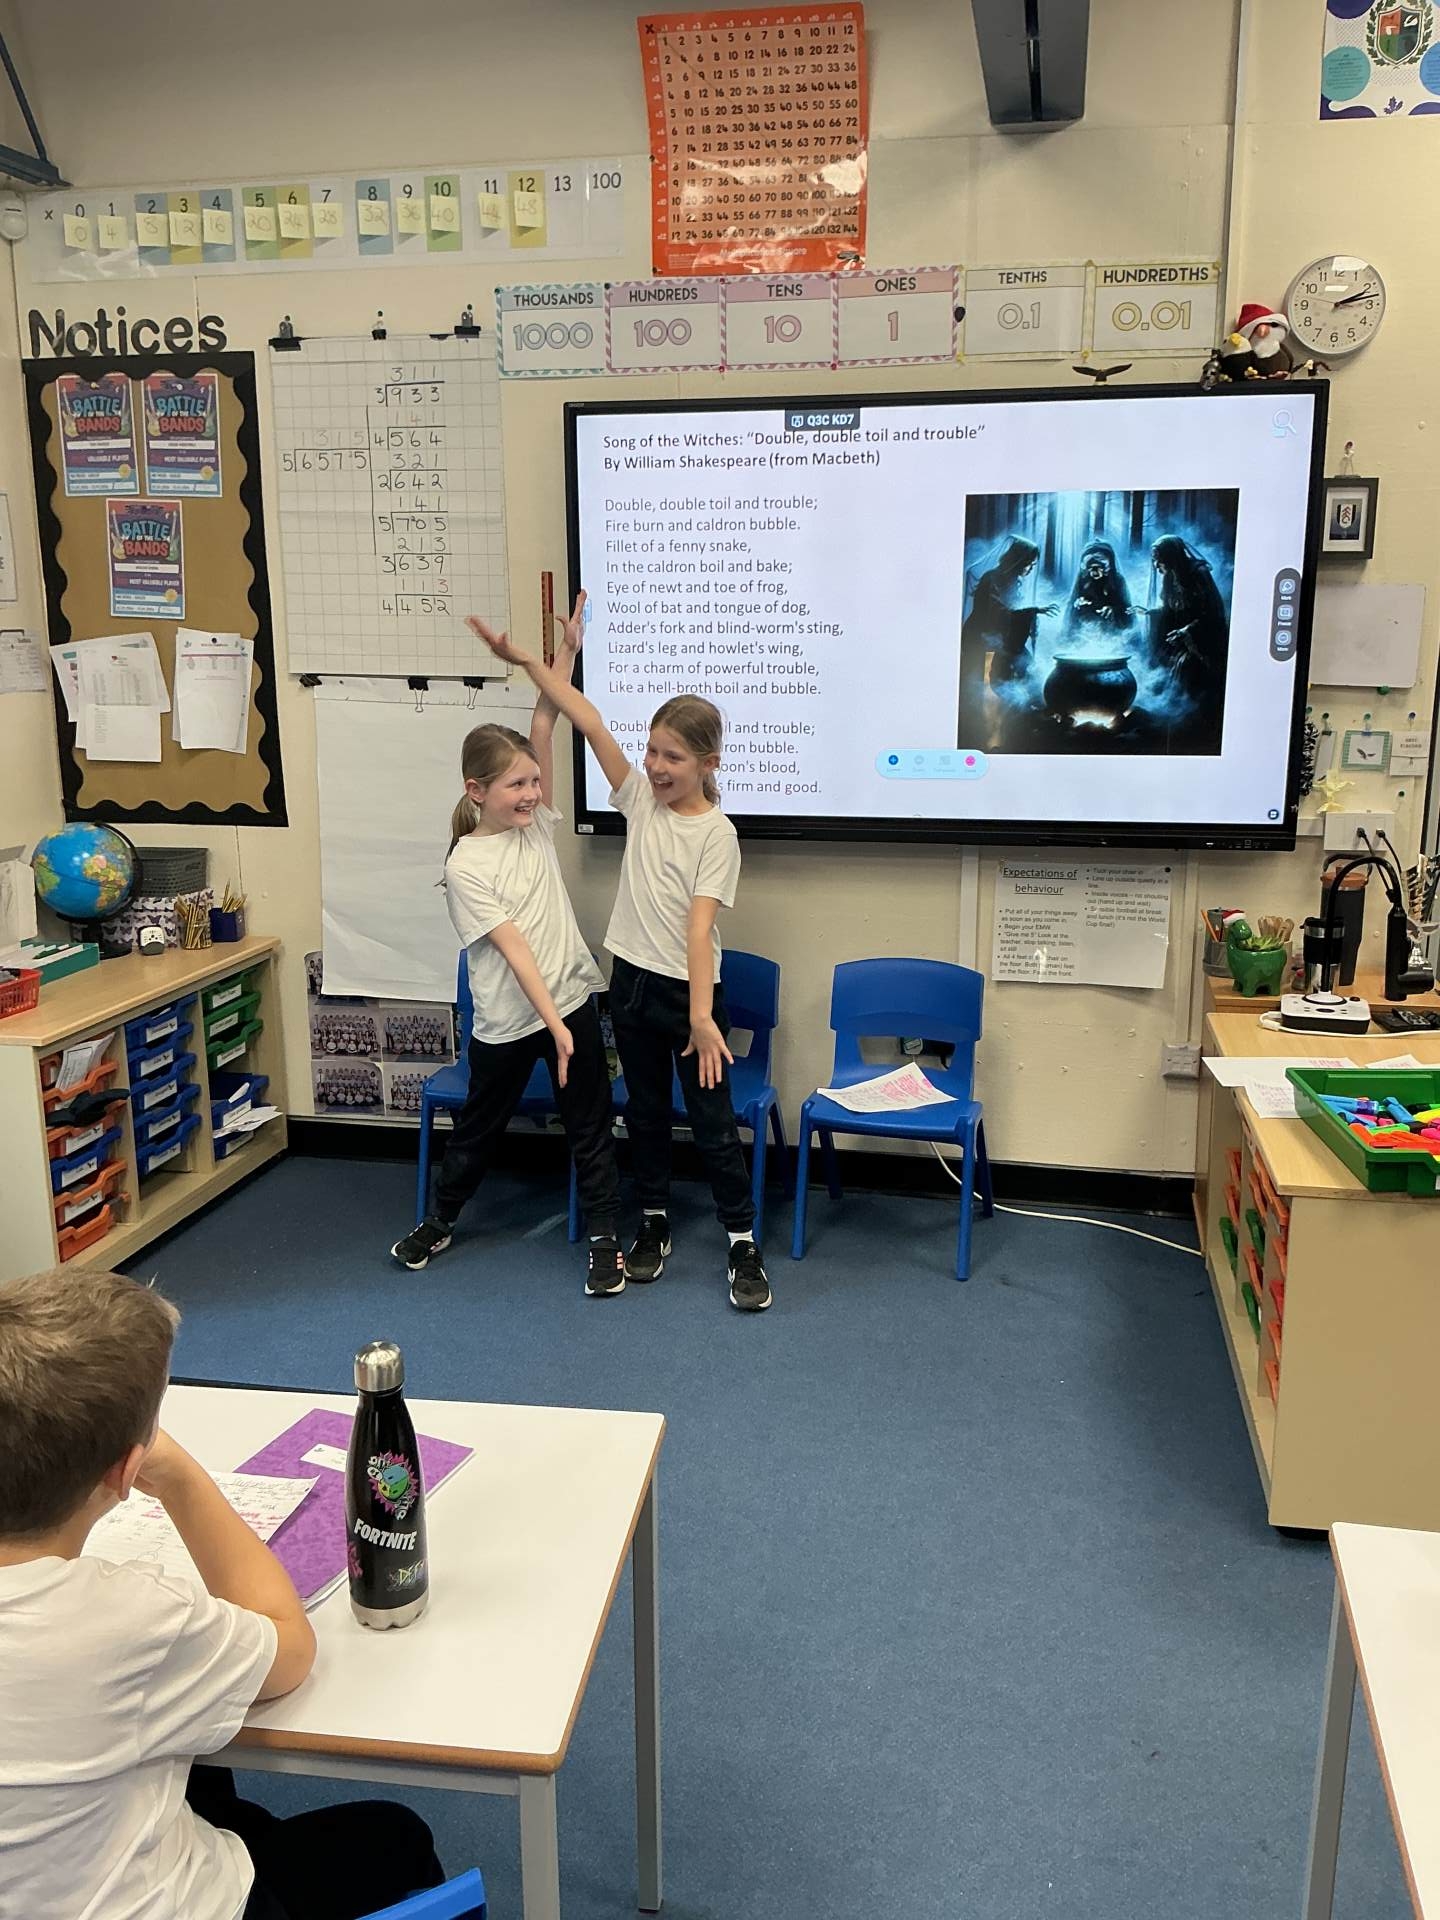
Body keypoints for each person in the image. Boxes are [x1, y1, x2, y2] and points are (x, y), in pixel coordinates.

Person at [0, 1267, 446, 1920]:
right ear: (126, 1469)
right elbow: (289, 1650)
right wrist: (180, 1478)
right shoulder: (134, 1619)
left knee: (202, 1776)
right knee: (398, 1836)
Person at [470, 600, 772, 1313]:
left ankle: (740, 1239)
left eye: (674, 757)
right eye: (653, 751)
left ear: (708, 764)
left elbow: (699, 932)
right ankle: (654, 1221)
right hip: (630, 982)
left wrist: (703, 1018)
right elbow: (588, 719)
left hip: (691, 995)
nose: (656, 766)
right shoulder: (639, 799)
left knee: (711, 1122)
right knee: (644, 1112)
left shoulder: (717, 835)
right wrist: (531, 661)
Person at [390, 594, 625, 1297]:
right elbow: (515, 949)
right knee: (479, 1127)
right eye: (517, 784)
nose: (532, 792)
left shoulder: (534, 825)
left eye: (534, 781)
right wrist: (555, 1027)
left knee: (589, 1124)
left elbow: (544, 720)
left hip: (570, 1001)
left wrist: (566, 652)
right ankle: (441, 1219)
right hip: (512, 1019)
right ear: (477, 791)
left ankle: (605, 1237)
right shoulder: (467, 865)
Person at [957, 536, 1056, 746]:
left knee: (1026, 669)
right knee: (985, 685)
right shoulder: (991, 578)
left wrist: (1029, 614)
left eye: (1033, 565)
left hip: (1003, 638)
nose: (1030, 568)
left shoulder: (1014, 580)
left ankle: (1025, 720)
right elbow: (996, 612)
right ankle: (987, 734)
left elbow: (1013, 610)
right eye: (1029, 563)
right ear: (1018, 560)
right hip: (982, 637)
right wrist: (1032, 611)